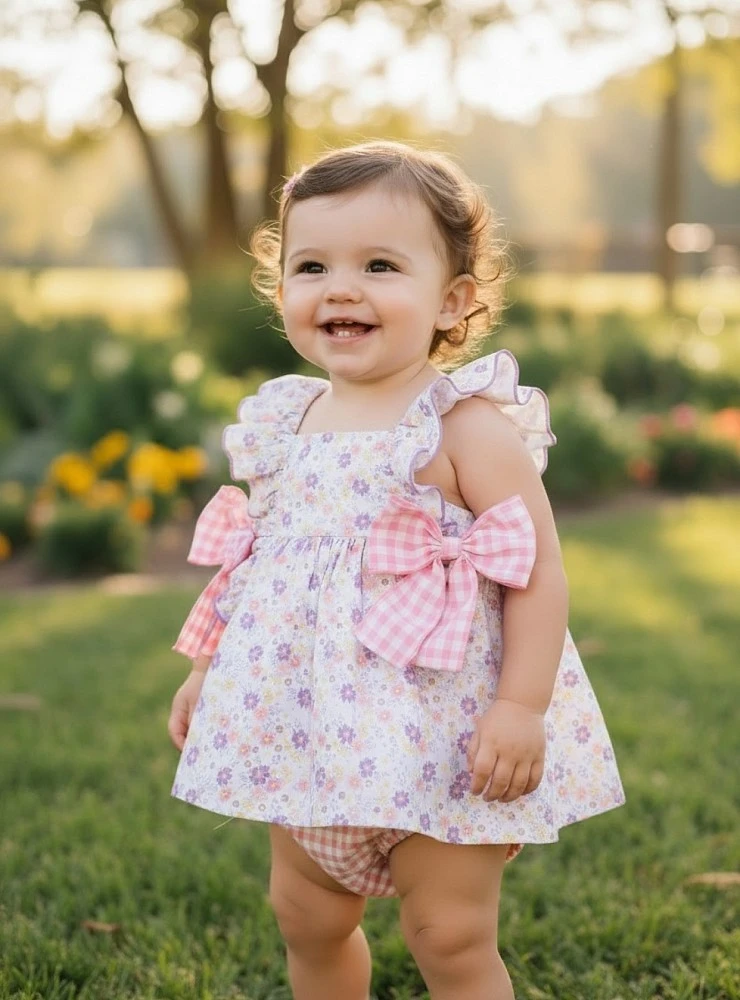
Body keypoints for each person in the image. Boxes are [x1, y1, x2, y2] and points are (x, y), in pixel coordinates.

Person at [167, 141, 625, 1000]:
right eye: (312, 265)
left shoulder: (463, 426)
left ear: (451, 300)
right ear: (283, 289)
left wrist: (520, 708)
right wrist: (206, 670)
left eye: (380, 264)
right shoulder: (285, 422)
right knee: (306, 916)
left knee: (447, 935)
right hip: (302, 735)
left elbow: (535, 567)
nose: (341, 287)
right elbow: (253, 568)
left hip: (442, 742)